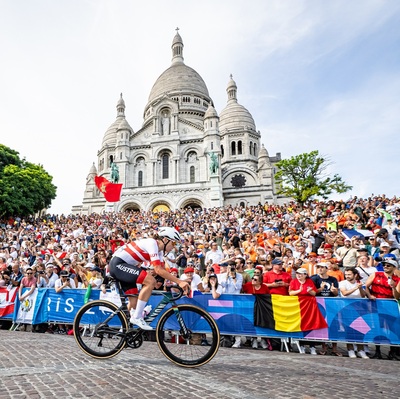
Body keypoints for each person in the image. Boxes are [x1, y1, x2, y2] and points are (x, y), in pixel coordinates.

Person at [108, 227, 189, 330]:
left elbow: (162, 271)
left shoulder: (159, 252)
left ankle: (124, 331)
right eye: (173, 243)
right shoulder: (152, 243)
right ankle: (137, 317)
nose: (173, 247)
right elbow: (158, 270)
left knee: (133, 302)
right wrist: (179, 281)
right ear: (165, 240)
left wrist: (175, 282)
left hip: (125, 267)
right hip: (117, 265)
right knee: (150, 281)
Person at [365, 258, 400, 360]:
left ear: (394, 267)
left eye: (388, 265)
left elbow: (397, 296)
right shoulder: (376, 274)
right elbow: (366, 286)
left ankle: (392, 352)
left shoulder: (397, 279)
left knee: (392, 329)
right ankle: (377, 351)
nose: (385, 266)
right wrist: (369, 295)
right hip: (376, 304)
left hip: (390, 305)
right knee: (377, 328)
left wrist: (393, 286)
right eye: (384, 265)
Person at [339, 267, 369, 359]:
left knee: (360, 329)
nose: (347, 276)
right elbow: (344, 293)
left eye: (349, 274)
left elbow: (363, 295)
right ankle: (350, 349)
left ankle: (361, 350)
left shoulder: (359, 283)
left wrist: (360, 288)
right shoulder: (343, 283)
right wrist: (355, 288)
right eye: (346, 274)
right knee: (349, 329)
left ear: (355, 275)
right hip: (346, 308)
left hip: (359, 309)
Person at [288, 267, 317, 355]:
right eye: (297, 273)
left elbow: (314, 293)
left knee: (310, 324)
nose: (298, 275)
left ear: (305, 275)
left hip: (309, 306)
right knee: (300, 324)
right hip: (298, 305)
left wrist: (310, 291)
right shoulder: (294, 281)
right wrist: (299, 290)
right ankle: (302, 345)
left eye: (300, 274)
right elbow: (290, 293)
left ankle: (312, 346)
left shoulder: (309, 282)